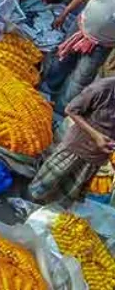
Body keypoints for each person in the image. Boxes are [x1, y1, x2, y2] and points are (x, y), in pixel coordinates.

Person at [29, 77, 115, 206]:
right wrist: (96, 136)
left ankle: (50, 212)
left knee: (68, 193)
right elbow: (71, 110)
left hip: (96, 157)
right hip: (75, 148)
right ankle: (26, 206)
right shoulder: (103, 88)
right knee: (46, 183)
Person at [48, 0, 115, 114]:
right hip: (79, 28)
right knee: (61, 59)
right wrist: (65, 12)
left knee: (80, 79)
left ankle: (60, 110)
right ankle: (46, 90)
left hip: (102, 45)